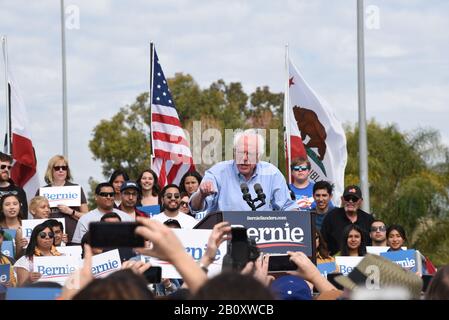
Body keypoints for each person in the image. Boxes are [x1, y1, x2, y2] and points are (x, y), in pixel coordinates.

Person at [190, 129, 299, 214]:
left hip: (263, 237)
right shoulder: (217, 173)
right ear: (234, 153)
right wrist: (201, 194)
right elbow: (195, 208)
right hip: (226, 236)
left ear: (258, 156)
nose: (244, 158)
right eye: (241, 153)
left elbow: (288, 208)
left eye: (250, 154)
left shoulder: (272, 173)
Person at [37, 155, 89, 243]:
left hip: (74, 238)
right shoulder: (42, 191)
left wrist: (71, 211)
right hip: (49, 239)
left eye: (64, 168)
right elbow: (35, 215)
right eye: (57, 168)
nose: (61, 170)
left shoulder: (76, 189)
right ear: (51, 170)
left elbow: (87, 217)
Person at [321, 185, 374, 256]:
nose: (350, 201)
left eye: (354, 199)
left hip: (363, 262)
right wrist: (326, 261)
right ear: (342, 199)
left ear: (360, 201)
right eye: (347, 198)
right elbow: (322, 241)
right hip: (334, 262)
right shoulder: (331, 217)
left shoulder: (369, 220)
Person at [14, 221, 61, 286]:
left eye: (50, 235)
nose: (47, 237)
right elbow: (20, 289)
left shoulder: (62, 257)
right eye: (43, 235)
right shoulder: (25, 261)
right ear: (35, 238)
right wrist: (29, 280)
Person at [0, 152, 28, 219]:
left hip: (15, 228)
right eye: (3, 167)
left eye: (9, 167)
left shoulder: (19, 191)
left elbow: (24, 215)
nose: (6, 169)